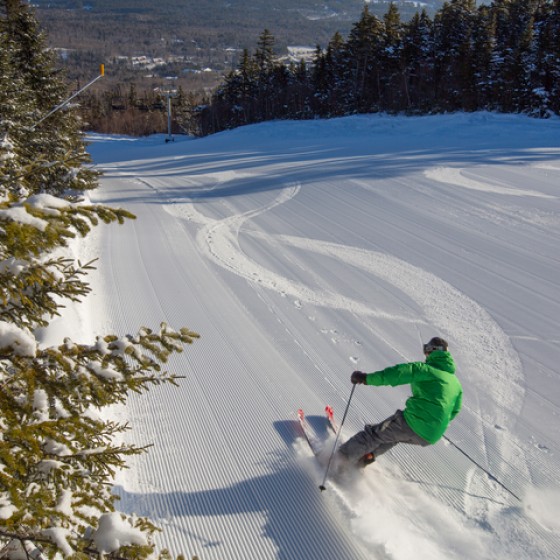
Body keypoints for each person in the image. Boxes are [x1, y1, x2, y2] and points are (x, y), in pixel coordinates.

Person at [336, 337, 462, 469]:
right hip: (431, 436)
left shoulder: (425, 370)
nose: (426, 354)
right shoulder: (456, 383)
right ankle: (365, 458)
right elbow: (454, 410)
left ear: (433, 350)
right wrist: (435, 421)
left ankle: (338, 461)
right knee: (393, 436)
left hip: (415, 422)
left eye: (427, 350)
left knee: (374, 434)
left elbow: (396, 374)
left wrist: (366, 379)